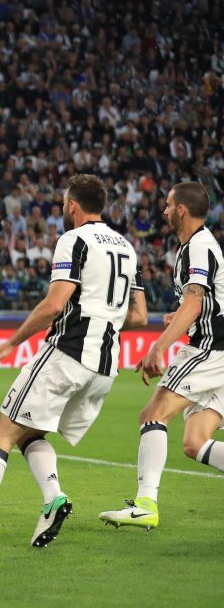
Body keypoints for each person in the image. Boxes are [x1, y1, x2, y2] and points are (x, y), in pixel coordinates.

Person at [0, 174, 149, 550]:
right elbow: (139, 317)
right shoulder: (127, 247)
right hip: (106, 367)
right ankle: (52, 497)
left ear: (73, 205)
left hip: (67, 355)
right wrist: (98, 320)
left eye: (63, 202)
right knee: (31, 433)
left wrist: (9, 344)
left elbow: (54, 305)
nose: (61, 208)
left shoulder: (73, 240)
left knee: (2, 435)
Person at [99, 182, 224, 530]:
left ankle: (145, 505)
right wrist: (180, 316)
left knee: (152, 415)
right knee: (195, 441)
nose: (164, 211)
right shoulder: (196, 246)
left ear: (182, 210)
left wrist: (159, 346)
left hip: (210, 349)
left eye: (168, 205)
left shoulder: (198, 247)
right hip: (218, 348)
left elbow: (196, 300)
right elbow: (202, 303)